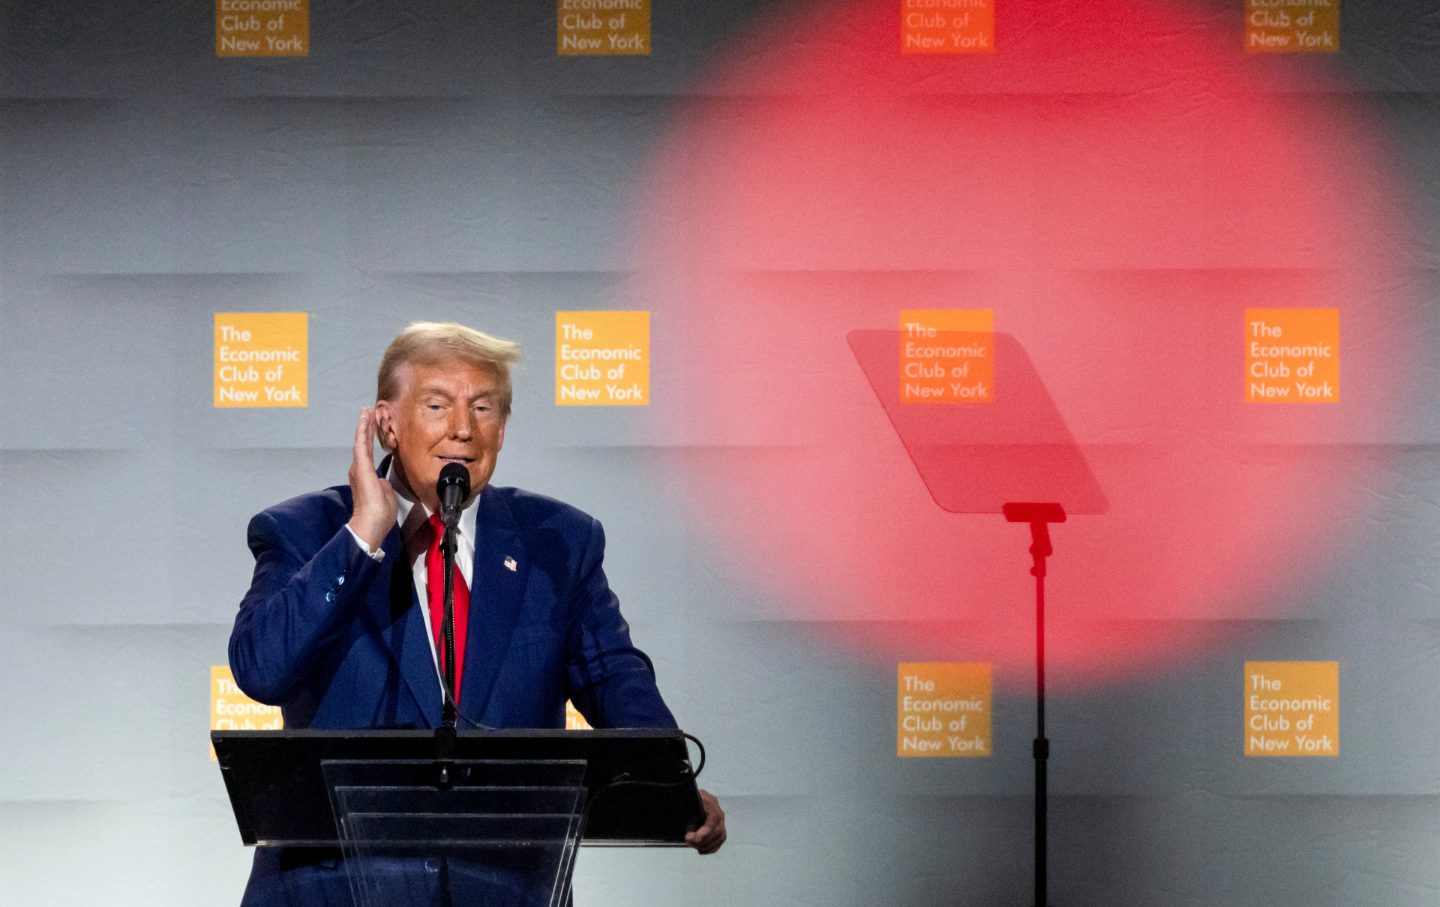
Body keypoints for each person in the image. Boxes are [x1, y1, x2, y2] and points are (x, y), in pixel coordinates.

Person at [229, 322, 724, 905]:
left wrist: (671, 785)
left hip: (504, 886)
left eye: (483, 407)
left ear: (503, 427)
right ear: (387, 424)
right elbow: (262, 671)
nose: (462, 429)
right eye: (437, 405)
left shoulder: (557, 542)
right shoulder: (303, 531)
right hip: (332, 888)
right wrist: (364, 531)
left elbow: (614, 676)